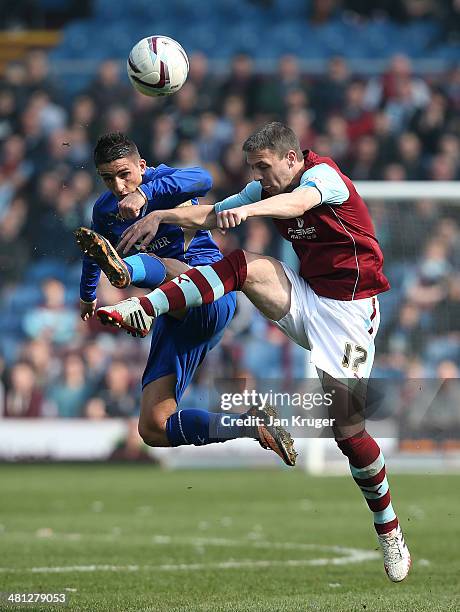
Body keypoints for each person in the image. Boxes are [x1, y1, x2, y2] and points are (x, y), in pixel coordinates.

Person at [97, 122, 411, 582]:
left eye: (265, 168)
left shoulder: (323, 177)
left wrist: (252, 210)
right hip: (305, 295)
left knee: (348, 433)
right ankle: (143, 306)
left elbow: (297, 203)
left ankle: (389, 528)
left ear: (291, 159)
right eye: (254, 171)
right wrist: (161, 218)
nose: (259, 178)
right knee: (242, 265)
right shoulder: (265, 188)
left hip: (349, 315)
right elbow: (213, 212)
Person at [77, 131, 297, 466]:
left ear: (142, 166)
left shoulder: (166, 179)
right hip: (172, 310)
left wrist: (144, 193)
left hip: (210, 288)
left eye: (125, 175)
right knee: (153, 427)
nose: (120, 187)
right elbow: (94, 250)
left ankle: (125, 273)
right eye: (108, 179)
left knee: (166, 267)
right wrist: (87, 296)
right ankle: (251, 425)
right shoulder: (105, 209)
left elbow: (203, 177)